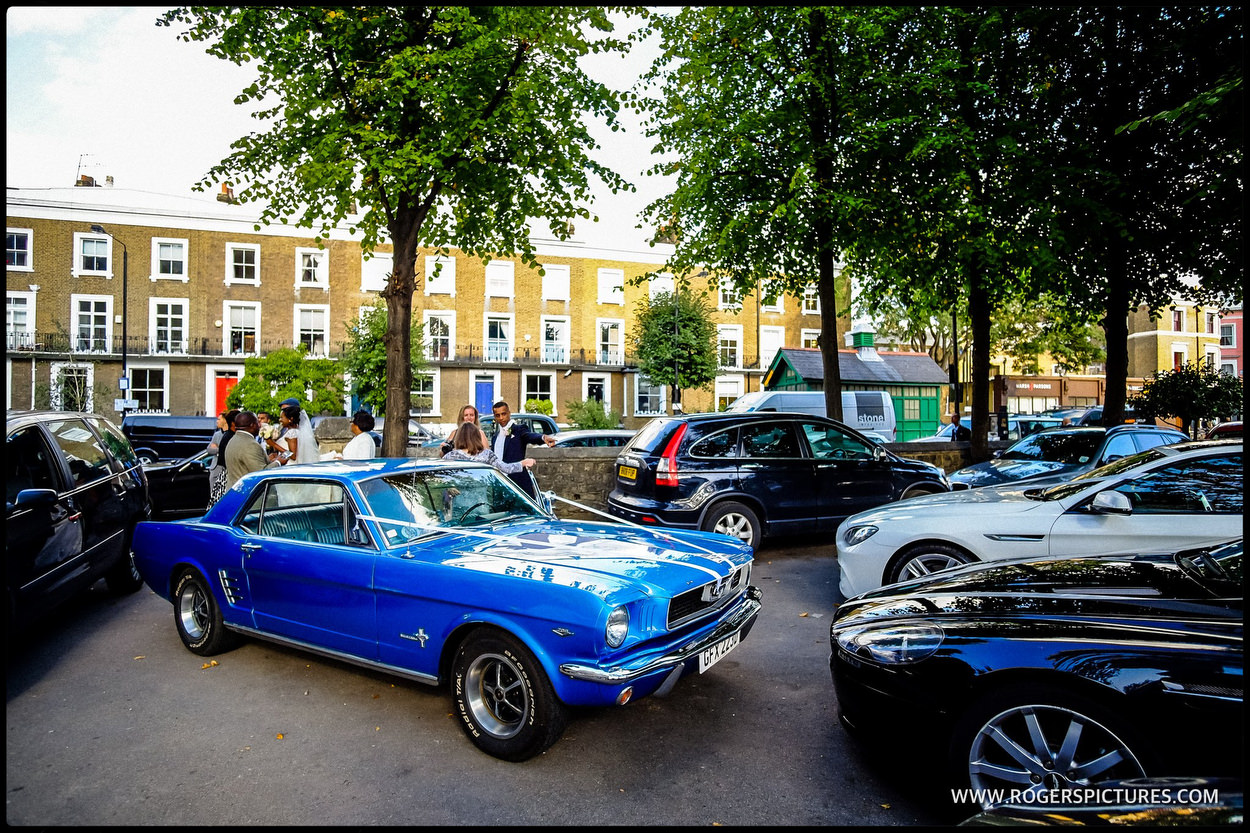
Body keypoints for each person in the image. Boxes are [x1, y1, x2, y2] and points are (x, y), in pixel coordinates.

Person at [489, 400, 554, 499]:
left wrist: (542, 437)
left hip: (518, 481)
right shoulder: (495, 437)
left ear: (509, 413)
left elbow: (529, 436)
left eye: (503, 414)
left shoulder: (519, 430)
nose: (501, 418)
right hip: (499, 482)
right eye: (497, 415)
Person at [444, 422, 534, 475]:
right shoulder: (487, 455)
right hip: (481, 501)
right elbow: (506, 468)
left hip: (458, 501)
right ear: (476, 437)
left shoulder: (450, 457)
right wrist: (523, 463)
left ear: (459, 437)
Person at [224, 411, 270, 491]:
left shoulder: (233, 440)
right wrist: (278, 462)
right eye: (258, 422)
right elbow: (262, 473)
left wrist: (269, 459)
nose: (260, 426)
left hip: (234, 492)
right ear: (252, 425)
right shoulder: (250, 444)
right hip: (246, 494)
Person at [206, 409, 238, 507]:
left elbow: (220, 450)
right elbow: (209, 449)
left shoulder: (230, 435)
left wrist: (218, 448)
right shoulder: (218, 435)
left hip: (225, 470)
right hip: (218, 468)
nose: (217, 421)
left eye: (219, 419)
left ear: (225, 420)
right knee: (217, 495)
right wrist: (220, 450)